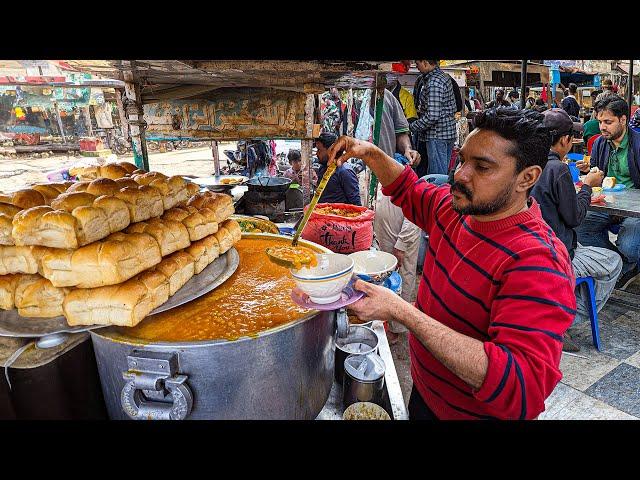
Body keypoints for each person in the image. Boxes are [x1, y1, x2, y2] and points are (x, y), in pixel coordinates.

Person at [324, 108, 576, 420]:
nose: (460, 174)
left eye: (482, 167)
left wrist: (402, 311)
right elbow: (409, 188)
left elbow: (521, 387)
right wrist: (372, 154)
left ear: (527, 177)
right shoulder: (455, 209)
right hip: (426, 395)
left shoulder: (537, 262)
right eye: (462, 160)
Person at [531, 109, 623, 352]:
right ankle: (563, 322)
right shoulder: (557, 169)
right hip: (558, 253)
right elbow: (575, 217)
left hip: (537, 246)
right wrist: (586, 186)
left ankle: (559, 306)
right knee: (614, 261)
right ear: (564, 140)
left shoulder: (530, 162)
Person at [372, 85, 422, 344]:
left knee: (403, 269)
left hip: (393, 172)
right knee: (381, 266)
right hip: (373, 182)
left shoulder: (388, 98)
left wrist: (406, 150)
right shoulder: (341, 96)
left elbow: (402, 133)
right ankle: (385, 321)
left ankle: (401, 326)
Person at [576, 95, 640, 289]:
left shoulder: (637, 144)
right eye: (600, 122)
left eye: (608, 122)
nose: (602, 127)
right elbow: (596, 172)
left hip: (635, 210)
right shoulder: (599, 144)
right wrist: (588, 172)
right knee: (580, 228)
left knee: (630, 245)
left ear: (623, 120)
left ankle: (628, 262)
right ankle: (620, 264)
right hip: (607, 204)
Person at [410, 60, 457, 177]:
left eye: (418, 63)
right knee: (441, 174)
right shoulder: (442, 77)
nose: (416, 65)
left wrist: (412, 126)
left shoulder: (434, 82)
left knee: (437, 176)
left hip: (437, 135)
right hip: (445, 133)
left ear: (426, 62)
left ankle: (439, 195)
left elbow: (432, 116)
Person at [314, 132, 361, 205]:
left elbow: (356, 203)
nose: (317, 153)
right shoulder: (323, 168)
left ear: (331, 150)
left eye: (319, 150)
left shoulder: (345, 172)